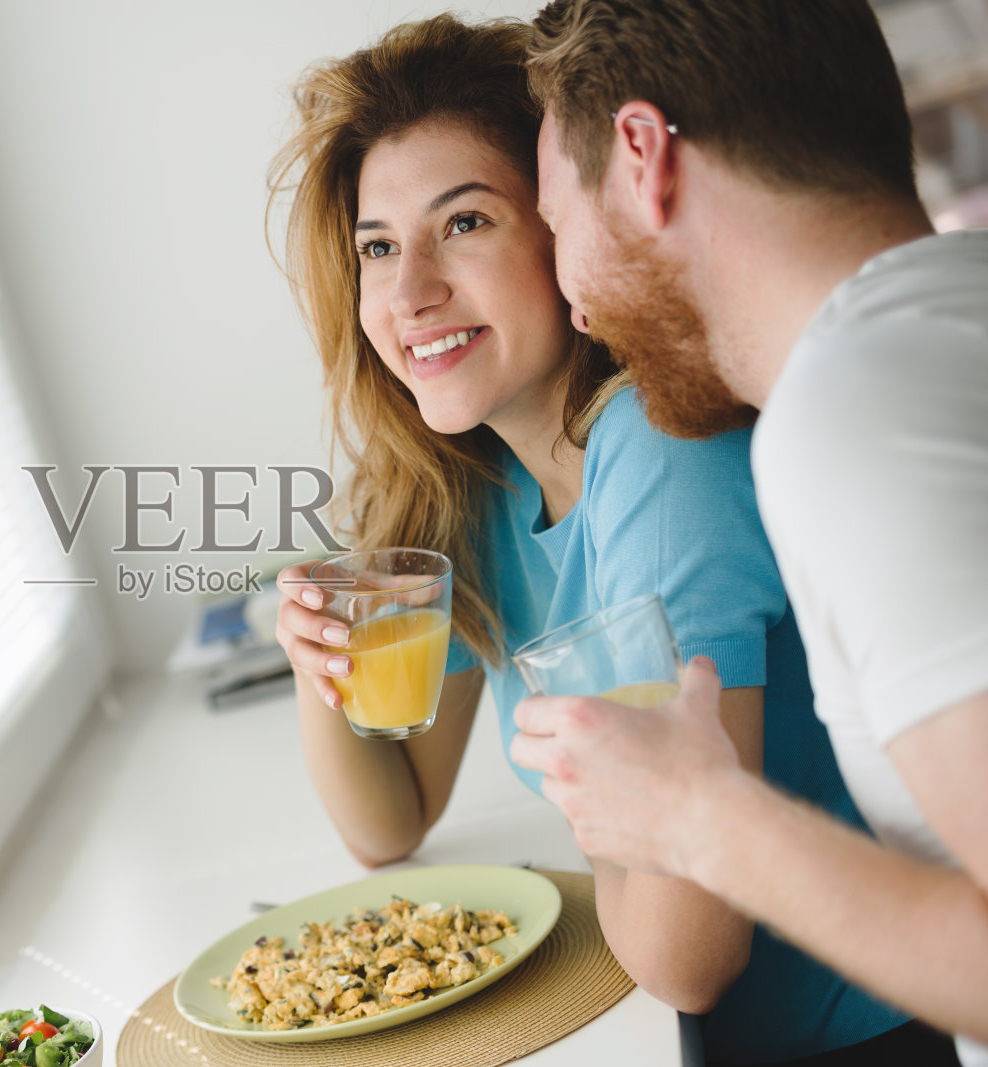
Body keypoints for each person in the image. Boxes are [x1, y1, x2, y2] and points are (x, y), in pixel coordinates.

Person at [266, 15, 930, 1065]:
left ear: (564, 224)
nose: (409, 292)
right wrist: (314, 653)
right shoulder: (479, 482)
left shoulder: (663, 457)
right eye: (378, 246)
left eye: (465, 222)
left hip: (855, 1038)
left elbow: (685, 953)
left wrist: (594, 826)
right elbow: (389, 822)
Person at [514, 2, 988, 1064]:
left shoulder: (856, 414)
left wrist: (698, 816)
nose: (576, 307)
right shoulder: (955, 307)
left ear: (643, 156)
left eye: (556, 223)